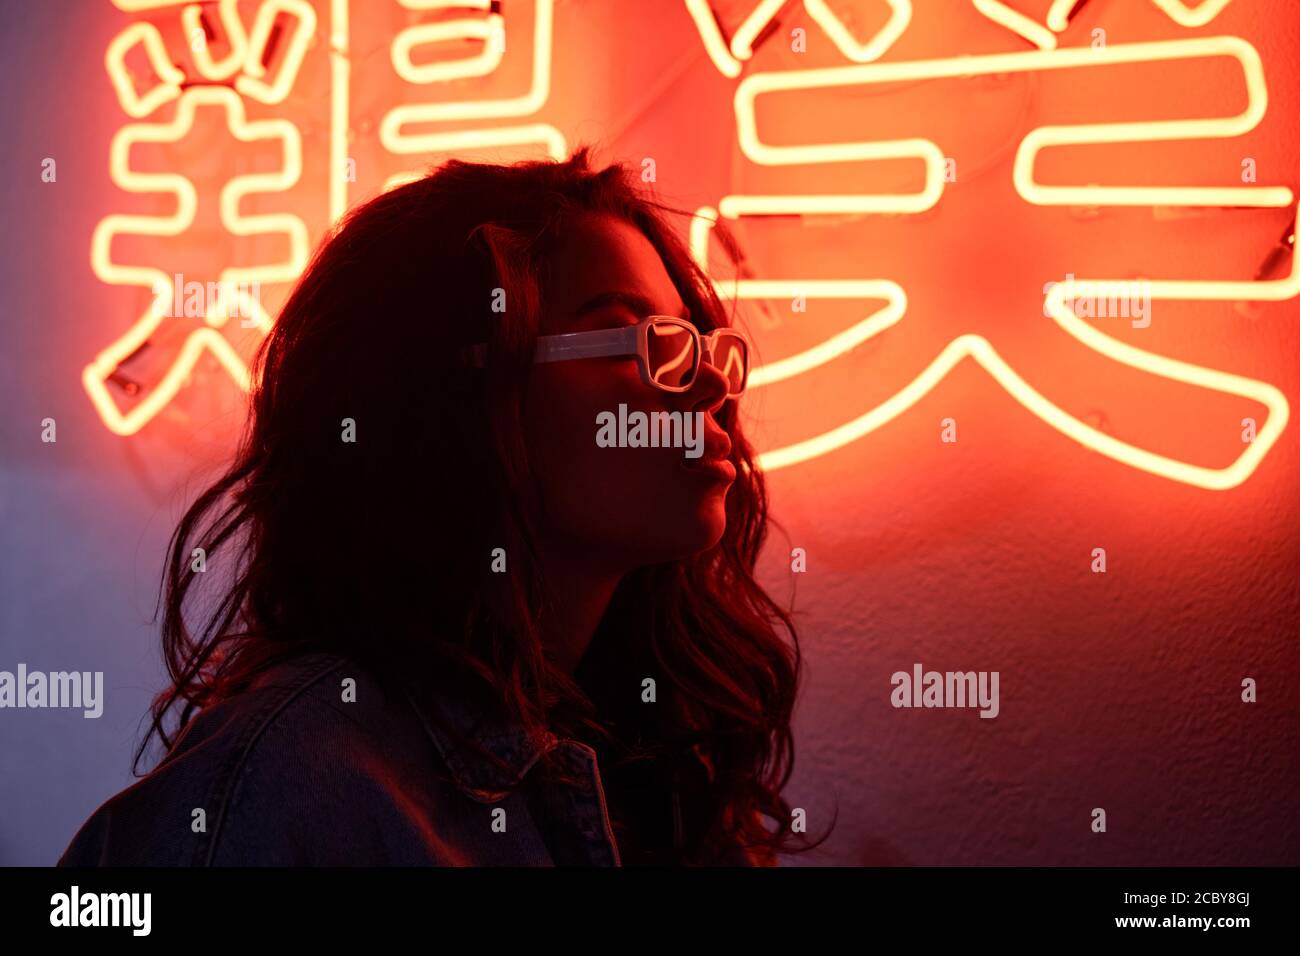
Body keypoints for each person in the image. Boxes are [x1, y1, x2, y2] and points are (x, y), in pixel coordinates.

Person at [58, 145, 828, 866]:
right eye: (642, 342)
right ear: (450, 393)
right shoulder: (278, 790)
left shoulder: (649, 750)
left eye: (703, 346)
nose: (712, 387)